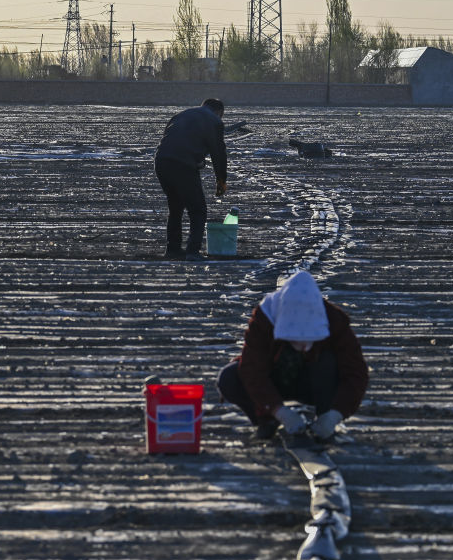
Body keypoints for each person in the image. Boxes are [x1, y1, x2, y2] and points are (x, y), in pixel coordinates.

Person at [217, 270, 369, 440]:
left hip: (315, 383)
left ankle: (324, 419)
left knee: (328, 361)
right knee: (229, 377)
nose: (303, 346)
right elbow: (252, 369)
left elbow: (356, 372)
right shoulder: (265, 317)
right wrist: (279, 411)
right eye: (296, 340)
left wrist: (336, 413)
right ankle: (267, 420)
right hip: (275, 379)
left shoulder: (334, 320)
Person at [154, 98, 228, 261]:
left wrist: (197, 159)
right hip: (183, 165)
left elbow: (175, 141)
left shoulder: (182, 115)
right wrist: (221, 181)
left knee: (176, 207)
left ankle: (173, 249)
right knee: (198, 209)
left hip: (161, 162)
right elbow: (218, 153)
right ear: (219, 112)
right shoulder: (214, 121)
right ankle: (193, 252)